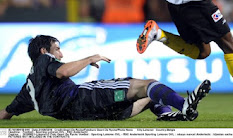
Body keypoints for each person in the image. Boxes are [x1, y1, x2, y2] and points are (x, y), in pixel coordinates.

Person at [0, 35, 211, 121]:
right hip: (88, 99)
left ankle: (166, 115)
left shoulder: (28, 90)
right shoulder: (43, 59)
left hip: (97, 114)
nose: (61, 54)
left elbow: (6, 113)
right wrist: (90, 57)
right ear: (45, 51)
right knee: (147, 84)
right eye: (57, 49)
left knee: (146, 95)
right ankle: (184, 105)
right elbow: (63, 71)